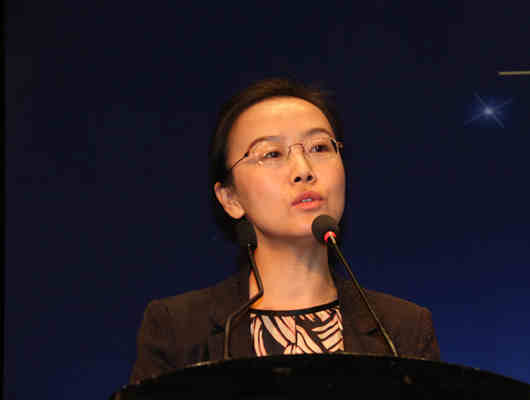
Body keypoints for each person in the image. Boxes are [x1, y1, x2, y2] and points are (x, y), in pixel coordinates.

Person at [129, 77, 440, 384]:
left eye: (319, 147)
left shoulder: (402, 329)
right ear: (230, 198)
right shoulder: (178, 329)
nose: (303, 170)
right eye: (272, 154)